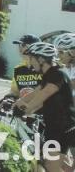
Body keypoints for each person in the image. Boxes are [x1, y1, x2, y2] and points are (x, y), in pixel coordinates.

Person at [14, 42, 75, 172]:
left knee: (50, 166)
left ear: (41, 59)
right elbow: (36, 92)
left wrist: (27, 109)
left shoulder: (57, 75)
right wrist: (17, 103)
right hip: (57, 126)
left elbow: (45, 93)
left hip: (62, 128)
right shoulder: (49, 75)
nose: (30, 62)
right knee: (60, 166)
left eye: (32, 58)